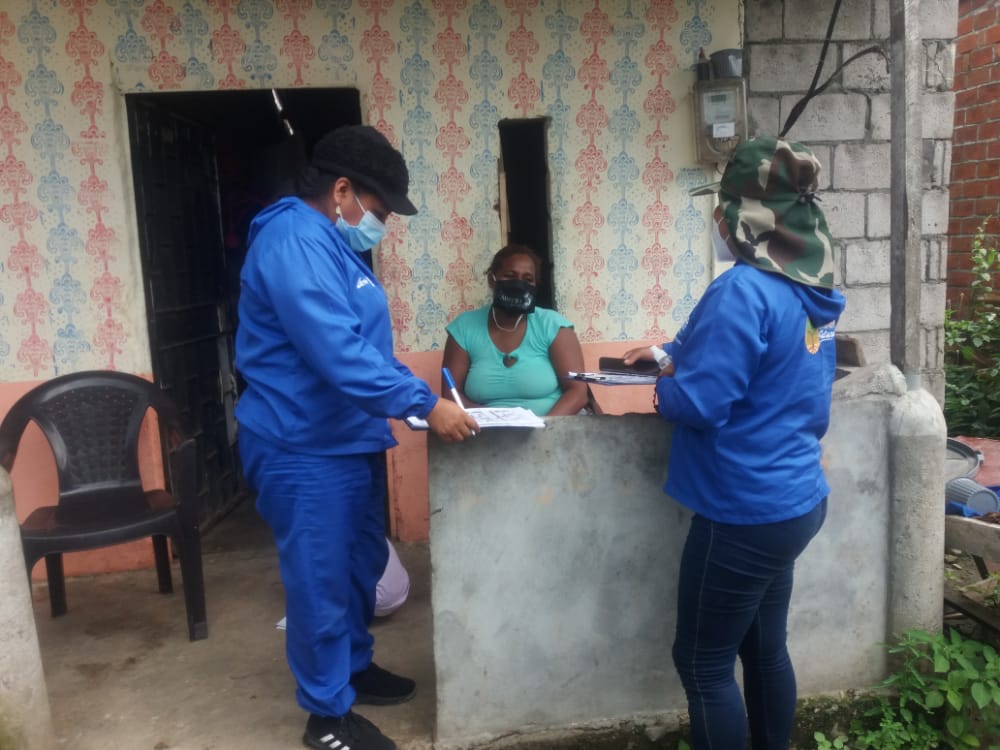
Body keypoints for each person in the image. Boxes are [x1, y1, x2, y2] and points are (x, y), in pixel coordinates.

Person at [235, 124, 478, 750]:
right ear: (341, 190)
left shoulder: (331, 245)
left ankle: (352, 667)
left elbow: (366, 347)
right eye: (380, 210)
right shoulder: (293, 239)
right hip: (301, 444)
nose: (382, 225)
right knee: (319, 581)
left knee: (356, 567)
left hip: (347, 439)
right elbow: (336, 351)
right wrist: (422, 403)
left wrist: (418, 398)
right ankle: (326, 716)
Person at [623, 136, 846, 750]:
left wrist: (662, 388)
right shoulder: (809, 291)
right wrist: (667, 353)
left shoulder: (743, 289)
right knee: (765, 647)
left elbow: (701, 403)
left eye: (723, 208)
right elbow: (741, 350)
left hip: (743, 512)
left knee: (702, 663)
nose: (718, 221)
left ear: (747, 218)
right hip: (796, 499)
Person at [441, 244, 589, 416]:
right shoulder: (464, 327)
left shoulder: (553, 326)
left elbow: (578, 393)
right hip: (485, 429)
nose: (519, 284)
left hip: (551, 427)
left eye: (528, 279)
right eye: (510, 276)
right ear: (492, 279)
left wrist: (542, 427)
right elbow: (451, 394)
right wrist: (492, 422)